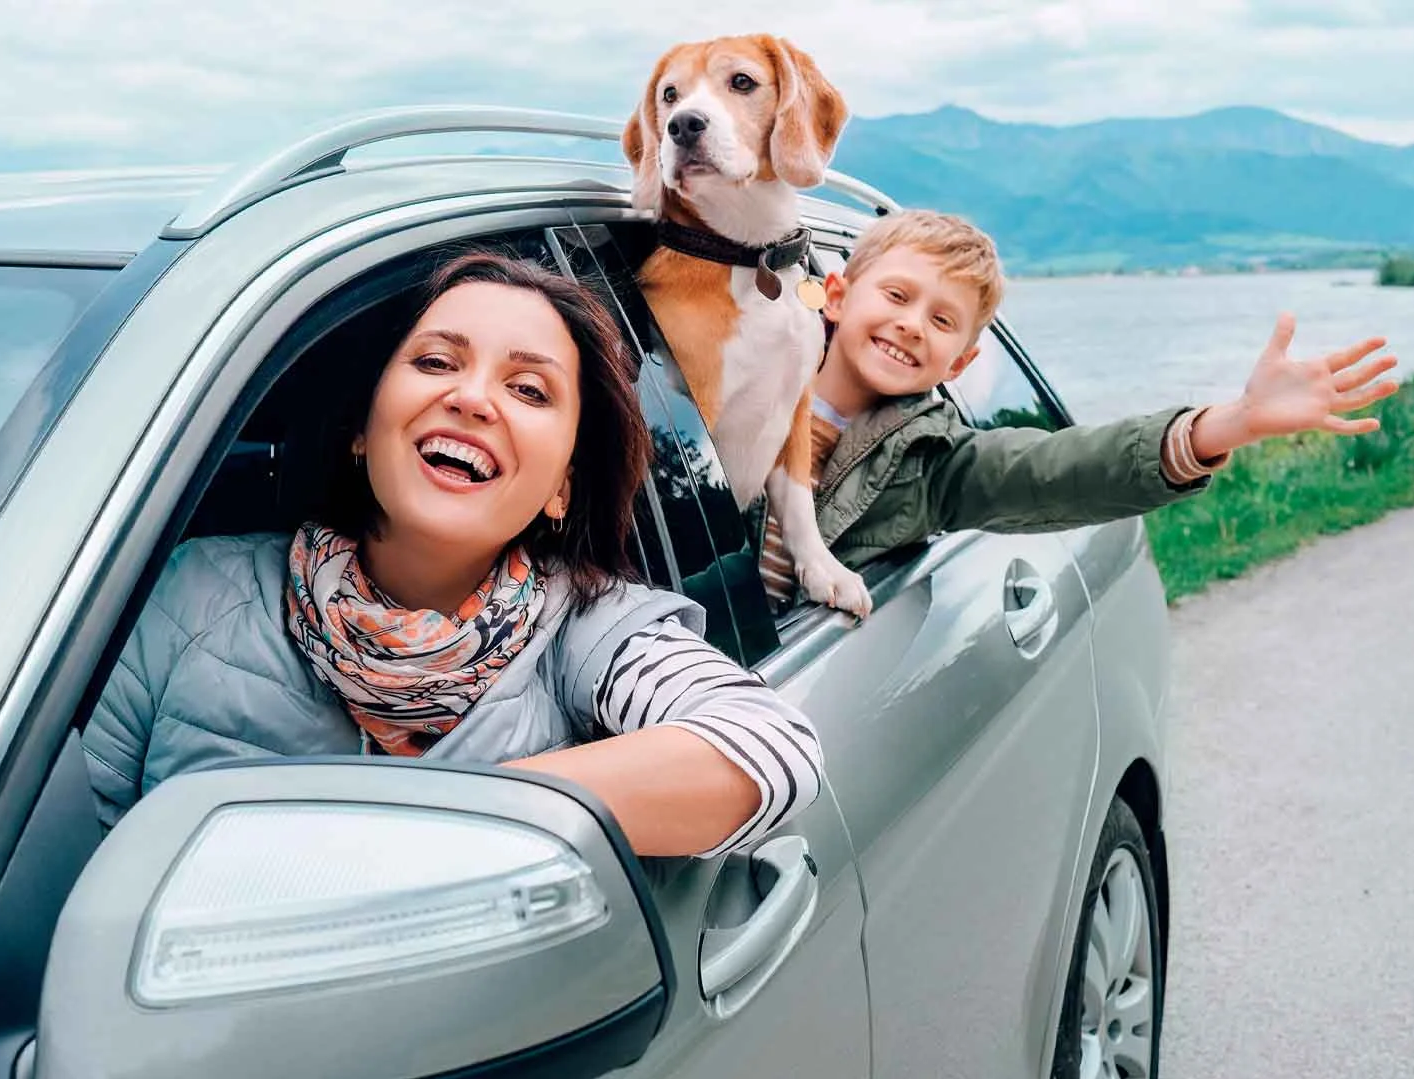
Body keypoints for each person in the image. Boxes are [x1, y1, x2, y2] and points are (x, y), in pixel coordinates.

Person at [83, 251, 822, 858]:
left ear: (562, 485)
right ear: (362, 430)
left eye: (529, 389)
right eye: (436, 362)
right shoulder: (191, 594)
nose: (473, 399)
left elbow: (769, 746)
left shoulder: (586, 628)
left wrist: (418, 841)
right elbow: (70, 859)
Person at [758, 210, 1399, 612]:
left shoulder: (932, 461)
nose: (911, 324)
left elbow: (1061, 467)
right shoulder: (741, 385)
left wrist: (1234, 423)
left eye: (942, 319)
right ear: (836, 296)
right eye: (897, 295)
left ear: (958, 364)